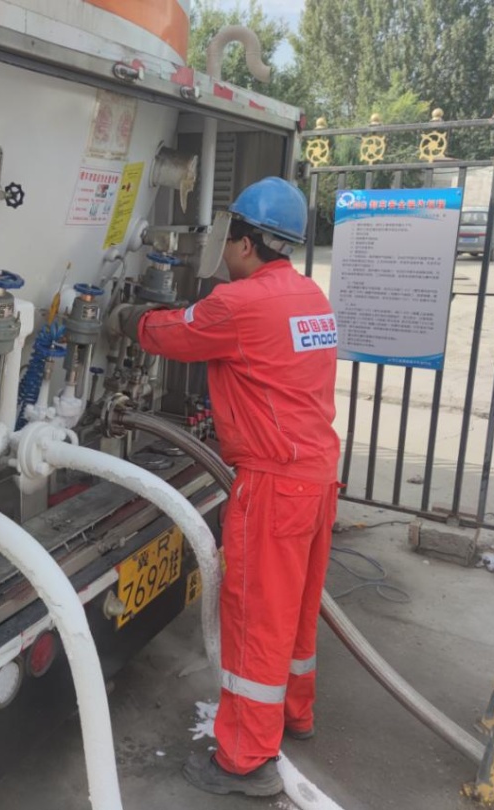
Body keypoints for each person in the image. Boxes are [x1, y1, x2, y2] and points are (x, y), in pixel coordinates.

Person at [118, 177, 341, 797]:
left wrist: (128, 317)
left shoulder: (240, 303)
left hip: (273, 484)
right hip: (318, 474)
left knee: (256, 619)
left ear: (244, 242)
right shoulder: (310, 296)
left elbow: (170, 334)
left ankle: (243, 759)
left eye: (229, 237)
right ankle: (295, 713)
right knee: (295, 609)